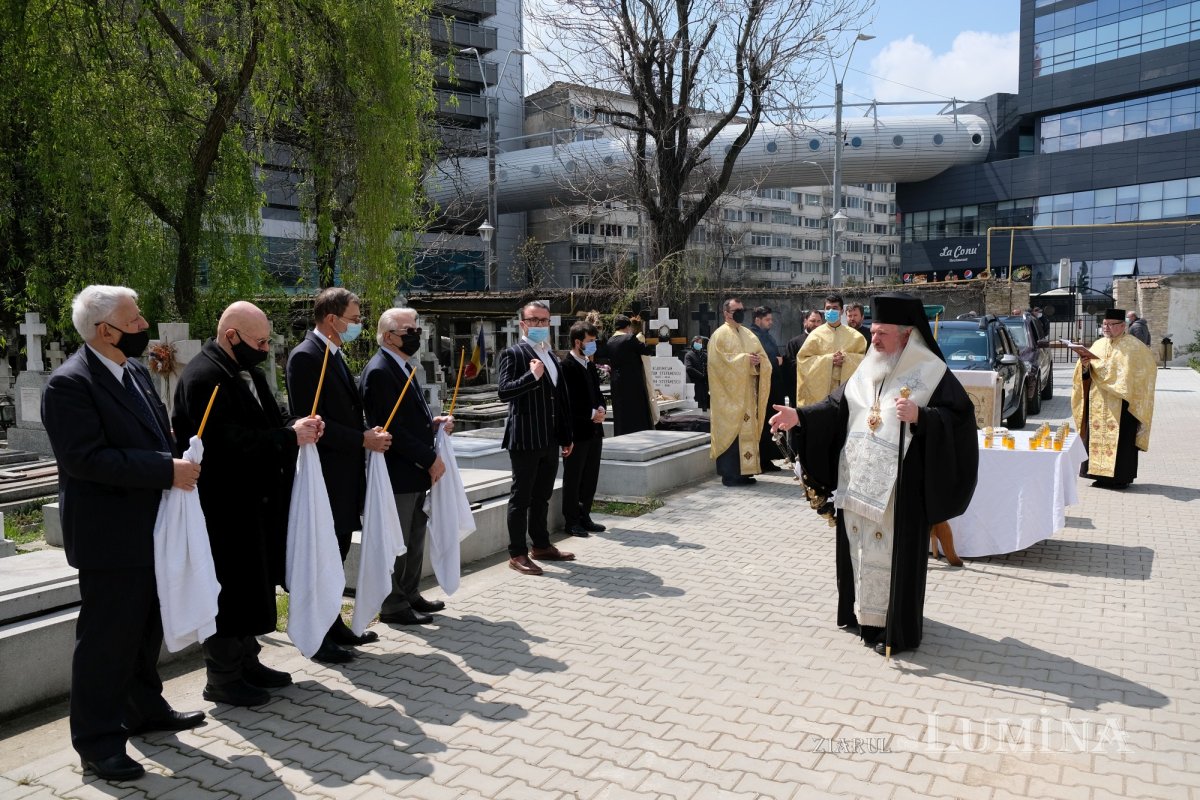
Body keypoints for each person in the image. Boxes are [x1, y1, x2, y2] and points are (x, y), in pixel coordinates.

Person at [41, 286, 206, 781]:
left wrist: (181, 454)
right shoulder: (69, 383)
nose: (143, 327)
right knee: (106, 641)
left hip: (150, 525)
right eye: (133, 321)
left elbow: (155, 432)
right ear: (104, 330)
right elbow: (84, 459)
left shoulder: (132, 370)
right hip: (108, 534)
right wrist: (164, 469)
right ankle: (97, 741)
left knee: (142, 630)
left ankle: (143, 709)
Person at [770, 292, 978, 656]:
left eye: (882, 333)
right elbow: (837, 406)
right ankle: (864, 618)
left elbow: (960, 420)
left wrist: (923, 417)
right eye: (874, 331)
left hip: (901, 490)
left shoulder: (933, 371)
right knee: (859, 550)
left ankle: (896, 627)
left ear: (907, 335)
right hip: (857, 483)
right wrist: (799, 417)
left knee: (893, 555)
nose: (874, 338)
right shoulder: (870, 364)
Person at [173, 301, 323, 707]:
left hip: (254, 501)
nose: (265, 348)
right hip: (224, 506)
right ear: (231, 337)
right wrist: (288, 437)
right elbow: (228, 445)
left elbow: (265, 424)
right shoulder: (205, 378)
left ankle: (248, 660)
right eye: (259, 341)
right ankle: (222, 676)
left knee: (252, 584)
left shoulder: (245, 371)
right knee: (229, 590)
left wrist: (297, 427)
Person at [285, 288, 390, 659]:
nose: (358, 325)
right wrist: (360, 439)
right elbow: (312, 420)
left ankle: (333, 623)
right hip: (324, 475)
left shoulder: (333, 353)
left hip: (344, 474)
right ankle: (318, 636)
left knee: (339, 549)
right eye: (355, 318)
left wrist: (366, 432)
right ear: (333, 319)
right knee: (322, 553)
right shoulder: (306, 357)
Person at [360, 307, 455, 624]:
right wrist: (429, 458)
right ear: (388, 336)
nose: (416, 336)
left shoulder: (401, 365)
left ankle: (410, 593)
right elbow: (393, 429)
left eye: (416, 330)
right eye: (408, 331)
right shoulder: (380, 371)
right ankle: (393, 604)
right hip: (398, 471)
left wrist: (433, 425)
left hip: (413, 470)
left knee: (415, 536)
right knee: (398, 540)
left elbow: (409, 420)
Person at [498, 301, 576, 574]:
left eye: (544, 321)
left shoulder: (552, 356)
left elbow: (560, 400)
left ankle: (541, 545)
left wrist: (566, 436)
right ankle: (517, 553)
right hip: (525, 438)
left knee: (542, 496)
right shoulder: (514, 354)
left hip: (550, 438)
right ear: (523, 324)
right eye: (534, 320)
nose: (540, 325)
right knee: (521, 498)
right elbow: (504, 391)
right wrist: (531, 377)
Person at [1072, 309, 1157, 489]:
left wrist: (1100, 368)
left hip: (1123, 403)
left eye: (1112, 325)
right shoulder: (1098, 344)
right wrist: (1085, 365)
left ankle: (1120, 478)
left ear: (1123, 326)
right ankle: (1098, 475)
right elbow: (1085, 373)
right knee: (1096, 436)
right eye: (1105, 324)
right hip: (1098, 400)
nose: (1107, 328)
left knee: (1122, 441)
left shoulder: (1134, 347)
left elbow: (1142, 373)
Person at [708, 297, 772, 486]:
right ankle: (730, 474)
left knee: (748, 431)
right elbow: (717, 364)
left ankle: (746, 471)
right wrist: (745, 360)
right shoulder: (719, 335)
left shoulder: (748, 334)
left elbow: (764, 358)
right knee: (732, 434)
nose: (741, 312)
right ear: (726, 313)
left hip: (748, 395)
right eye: (737, 309)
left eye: (742, 309)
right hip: (729, 397)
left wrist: (759, 362)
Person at [560, 321, 607, 537]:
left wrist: (602, 409)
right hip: (578, 431)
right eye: (589, 341)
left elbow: (597, 393)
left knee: (590, 476)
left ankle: (585, 515)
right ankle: (571, 520)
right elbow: (569, 401)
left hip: (595, 430)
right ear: (578, 342)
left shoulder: (588, 364)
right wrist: (590, 414)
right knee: (574, 477)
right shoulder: (567, 366)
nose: (593, 345)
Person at [795, 294, 867, 409]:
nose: (831, 311)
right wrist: (829, 360)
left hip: (846, 392)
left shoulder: (856, 337)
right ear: (824, 311)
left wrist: (846, 359)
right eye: (828, 308)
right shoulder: (815, 335)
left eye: (835, 308)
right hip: (822, 395)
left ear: (842, 311)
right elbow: (803, 361)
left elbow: (864, 362)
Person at [606, 314, 655, 435]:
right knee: (635, 410)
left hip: (616, 381)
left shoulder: (610, 341)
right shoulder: (629, 338)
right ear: (628, 326)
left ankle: (620, 433)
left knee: (620, 410)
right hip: (632, 381)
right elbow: (646, 350)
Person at [749, 306, 785, 470]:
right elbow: (757, 358)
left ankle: (768, 457)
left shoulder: (766, 336)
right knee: (762, 422)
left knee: (770, 421)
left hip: (773, 386)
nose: (771, 323)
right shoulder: (752, 336)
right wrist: (775, 361)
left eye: (771, 319)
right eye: (767, 320)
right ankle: (762, 458)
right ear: (758, 319)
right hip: (761, 388)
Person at [683, 335, 709, 410]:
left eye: (700, 342)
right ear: (693, 343)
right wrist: (701, 375)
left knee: (705, 406)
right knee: (697, 405)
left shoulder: (704, 355)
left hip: (704, 384)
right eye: (697, 342)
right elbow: (689, 368)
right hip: (695, 384)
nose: (699, 344)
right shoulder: (689, 355)